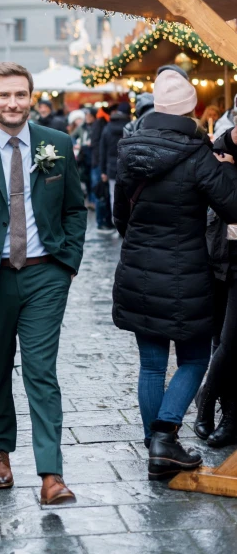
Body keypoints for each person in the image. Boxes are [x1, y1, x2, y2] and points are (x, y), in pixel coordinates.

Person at [0, 62, 87, 506]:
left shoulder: (57, 144)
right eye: (4, 95)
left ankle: (51, 474)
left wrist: (68, 264)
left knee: (42, 372)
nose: (12, 103)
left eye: (20, 95)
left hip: (46, 273)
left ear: (31, 97)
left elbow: (76, 208)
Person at [112, 68, 237, 481]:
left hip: (138, 268)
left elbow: (120, 216)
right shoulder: (199, 154)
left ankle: (156, 448)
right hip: (186, 272)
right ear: (190, 109)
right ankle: (165, 436)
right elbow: (232, 208)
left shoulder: (129, 148)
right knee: (195, 358)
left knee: (151, 363)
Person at [194, 126, 237, 448]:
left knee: (231, 340)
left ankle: (206, 399)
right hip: (218, 256)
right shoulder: (216, 148)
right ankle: (228, 414)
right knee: (219, 340)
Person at [100, 102, 131, 212]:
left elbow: (102, 150)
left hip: (111, 166)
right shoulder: (131, 127)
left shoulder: (108, 128)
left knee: (113, 195)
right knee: (129, 195)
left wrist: (103, 171)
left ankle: (116, 222)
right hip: (129, 166)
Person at [90, 107, 113, 233]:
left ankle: (104, 221)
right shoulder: (100, 123)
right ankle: (101, 222)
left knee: (102, 193)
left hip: (99, 163)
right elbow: (97, 145)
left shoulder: (101, 122)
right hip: (99, 164)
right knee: (101, 193)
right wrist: (101, 165)